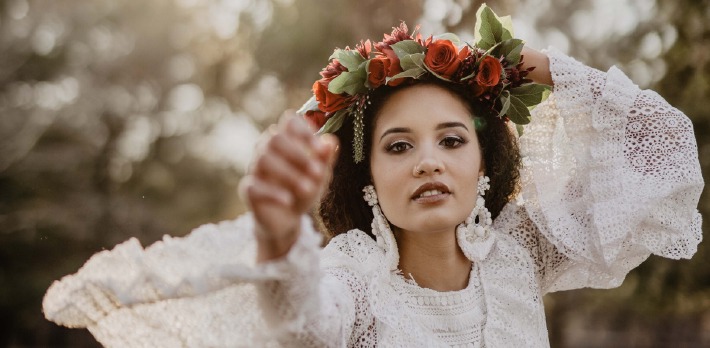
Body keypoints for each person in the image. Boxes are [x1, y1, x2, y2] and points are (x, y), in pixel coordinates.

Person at [42, 5, 703, 347]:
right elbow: (299, 324)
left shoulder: (523, 251)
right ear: (366, 177)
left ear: (485, 165)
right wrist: (277, 240)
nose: (428, 160)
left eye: (451, 140)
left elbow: (661, 147)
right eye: (397, 146)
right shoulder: (352, 278)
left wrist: (540, 65)